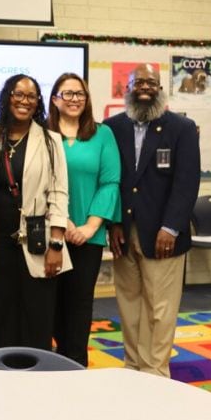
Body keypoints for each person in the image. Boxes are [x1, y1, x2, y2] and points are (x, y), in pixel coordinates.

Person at [104, 63, 200, 378]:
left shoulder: (181, 129)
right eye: (137, 82)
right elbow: (110, 180)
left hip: (163, 234)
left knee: (160, 309)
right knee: (129, 305)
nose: (144, 87)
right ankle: (133, 367)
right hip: (123, 231)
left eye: (151, 82)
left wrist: (170, 227)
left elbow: (186, 183)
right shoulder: (111, 127)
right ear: (127, 88)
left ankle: (156, 372)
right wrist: (113, 222)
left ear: (160, 88)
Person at [0, 74, 69, 351]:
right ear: (7, 96)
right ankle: (3, 379)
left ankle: (35, 382)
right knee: (2, 317)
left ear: (38, 102)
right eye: (18, 94)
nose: (24, 101)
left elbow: (59, 193)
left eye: (31, 96)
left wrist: (56, 243)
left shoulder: (51, 141)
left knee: (37, 319)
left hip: (38, 241)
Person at [47, 73, 121, 366]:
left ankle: (76, 366)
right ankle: (52, 365)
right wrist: (62, 221)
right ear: (55, 99)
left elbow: (110, 182)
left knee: (79, 307)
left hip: (88, 236)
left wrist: (91, 225)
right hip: (52, 233)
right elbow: (37, 182)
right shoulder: (42, 133)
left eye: (80, 94)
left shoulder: (103, 134)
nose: (75, 99)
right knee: (51, 307)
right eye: (67, 93)